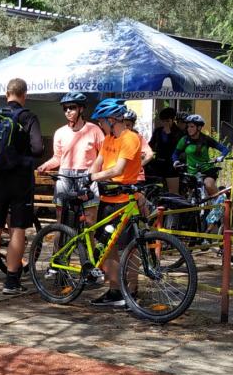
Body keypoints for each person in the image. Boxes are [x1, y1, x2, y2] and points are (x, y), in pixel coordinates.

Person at [0, 78, 44, 294]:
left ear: (6, 94)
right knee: (17, 229)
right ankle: (11, 281)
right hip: (20, 180)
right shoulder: (28, 117)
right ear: (25, 95)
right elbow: (38, 149)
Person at [88, 99, 143, 310]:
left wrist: (93, 177)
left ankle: (132, 289)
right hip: (107, 199)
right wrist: (87, 176)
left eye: (101, 121)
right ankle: (115, 291)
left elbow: (118, 170)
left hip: (125, 200)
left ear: (111, 120)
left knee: (130, 247)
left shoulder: (130, 138)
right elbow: (98, 163)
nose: (100, 125)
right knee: (108, 246)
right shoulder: (108, 139)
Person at [38, 91, 103, 225]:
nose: (68, 111)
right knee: (61, 219)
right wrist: (45, 165)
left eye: (72, 107)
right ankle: (60, 239)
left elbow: (104, 154)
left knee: (90, 220)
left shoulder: (94, 130)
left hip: (87, 175)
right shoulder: (60, 132)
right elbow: (57, 158)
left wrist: (100, 173)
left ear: (81, 109)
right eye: (65, 108)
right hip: (65, 175)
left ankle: (86, 239)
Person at [172, 113, 229, 199]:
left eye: (192, 127)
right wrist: (175, 161)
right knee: (191, 196)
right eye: (188, 127)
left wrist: (221, 157)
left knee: (208, 185)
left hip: (207, 170)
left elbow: (225, 149)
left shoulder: (205, 139)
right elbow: (175, 153)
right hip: (191, 172)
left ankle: (221, 203)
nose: (189, 129)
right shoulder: (184, 140)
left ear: (199, 128)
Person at [145, 106, 183, 189]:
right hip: (159, 161)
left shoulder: (178, 132)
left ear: (172, 120)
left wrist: (169, 134)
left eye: (167, 121)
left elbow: (177, 147)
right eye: (163, 121)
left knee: (173, 190)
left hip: (171, 163)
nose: (165, 123)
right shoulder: (158, 131)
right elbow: (151, 144)